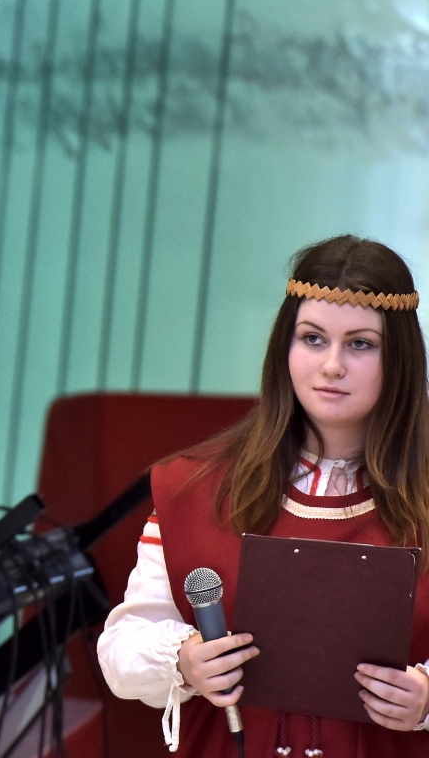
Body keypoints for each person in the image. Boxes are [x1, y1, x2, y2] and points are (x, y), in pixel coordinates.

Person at [97, 235, 429, 757]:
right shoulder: (196, 488)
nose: (332, 365)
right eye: (313, 338)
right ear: (285, 348)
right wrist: (184, 660)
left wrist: (426, 699)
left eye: (361, 344)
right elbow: (122, 647)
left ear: (401, 357)